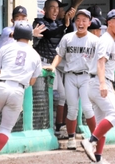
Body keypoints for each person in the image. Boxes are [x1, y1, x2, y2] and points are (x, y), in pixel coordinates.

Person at [0, 20, 43, 164]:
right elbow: (32, 82)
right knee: (5, 129)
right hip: (18, 90)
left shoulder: (6, 48)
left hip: (1, 85)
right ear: (30, 36)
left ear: (15, 34)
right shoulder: (35, 55)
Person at [80, 9, 115, 163]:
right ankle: (89, 141)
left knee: (103, 122)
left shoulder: (112, 40)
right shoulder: (106, 40)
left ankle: (98, 158)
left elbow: (106, 62)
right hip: (98, 83)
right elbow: (100, 62)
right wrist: (103, 84)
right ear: (109, 23)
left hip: (98, 82)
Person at [44, 9, 98, 150]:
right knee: (72, 109)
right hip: (70, 76)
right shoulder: (68, 37)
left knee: (87, 108)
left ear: (89, 23)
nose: (81, 23)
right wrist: (53, 66)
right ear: (75, 21)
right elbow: (59, 54)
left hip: (87, 76)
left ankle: (94, 139)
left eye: (84, 20)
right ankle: (71, 138)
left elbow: (102, 58)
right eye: (78, 19)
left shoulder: (94, 40)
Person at [33, 0, 76, 138]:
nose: (55, 10)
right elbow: (49, 34)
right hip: (41, 64)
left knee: (61, 96)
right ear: (45, 9)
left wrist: (68, 21)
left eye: (57, 8)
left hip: (53, 65)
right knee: (40, 98)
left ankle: (58, 127)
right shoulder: (39, 22)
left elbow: (69, 35)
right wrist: (64, 23)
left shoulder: (59, 23)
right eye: (52, 7)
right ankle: (37, 126)